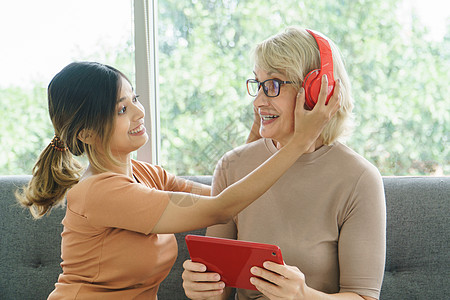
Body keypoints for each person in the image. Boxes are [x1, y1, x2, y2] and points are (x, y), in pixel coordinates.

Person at [15, 61, 339, 299]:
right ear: (86, 133)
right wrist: (298, 143)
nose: (139, 113)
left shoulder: (145, 174)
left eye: (135, 99)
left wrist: (261, 127)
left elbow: (222, 192)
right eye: (121, 110)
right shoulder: (99, 192)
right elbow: (220, 209)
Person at [181, 27, 386, 300]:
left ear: (316, 92)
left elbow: (364, 297)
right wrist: (204, 290)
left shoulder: (359, 178)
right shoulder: (232, 166)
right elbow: (220, 287)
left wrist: (304, 295)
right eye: (258, 84)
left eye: (274, 85)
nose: (258, 101)